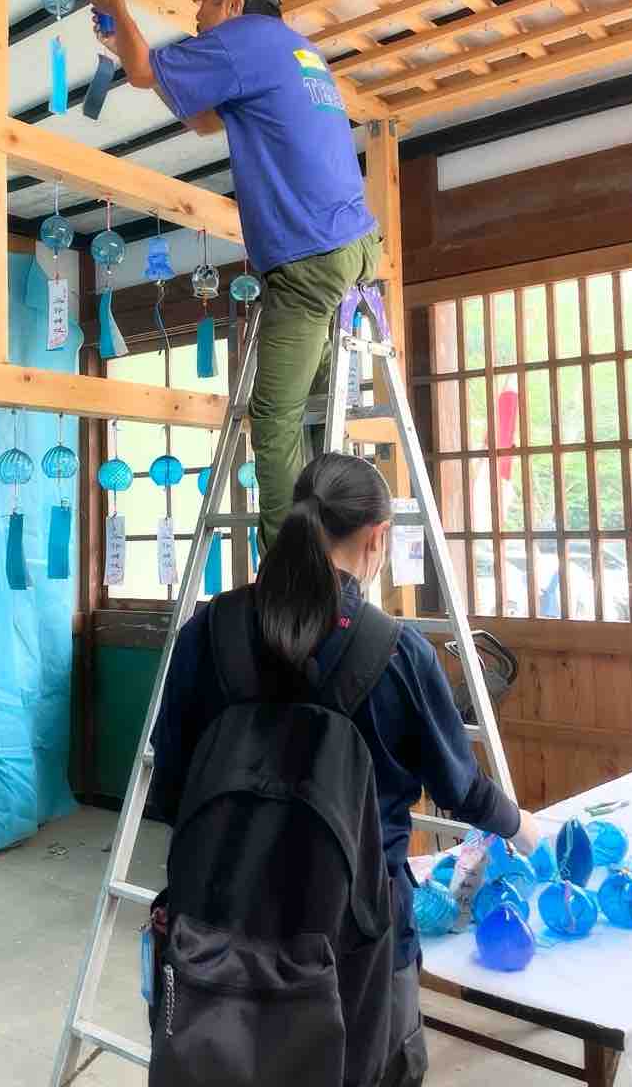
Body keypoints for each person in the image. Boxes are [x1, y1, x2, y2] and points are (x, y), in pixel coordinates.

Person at [150, 453, 539, 1085]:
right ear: (378, 538)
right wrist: (522, 825)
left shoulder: (207, 631)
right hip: (359, 948)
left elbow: (171, 790)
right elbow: (461, 789)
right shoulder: (396, 652)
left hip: (214, 937)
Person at [87, 0, 381, 549]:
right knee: (320, 409)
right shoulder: (297, 53)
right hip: (352, 248)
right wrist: (131, 52)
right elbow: (201, 120)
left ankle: (292, 573)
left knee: (273, 418)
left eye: (203, 0)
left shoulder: (241, 40)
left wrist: (115, 3)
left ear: (235, 2)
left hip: (308, 258)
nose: (197, 16)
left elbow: (143, 72)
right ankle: (338, 544)